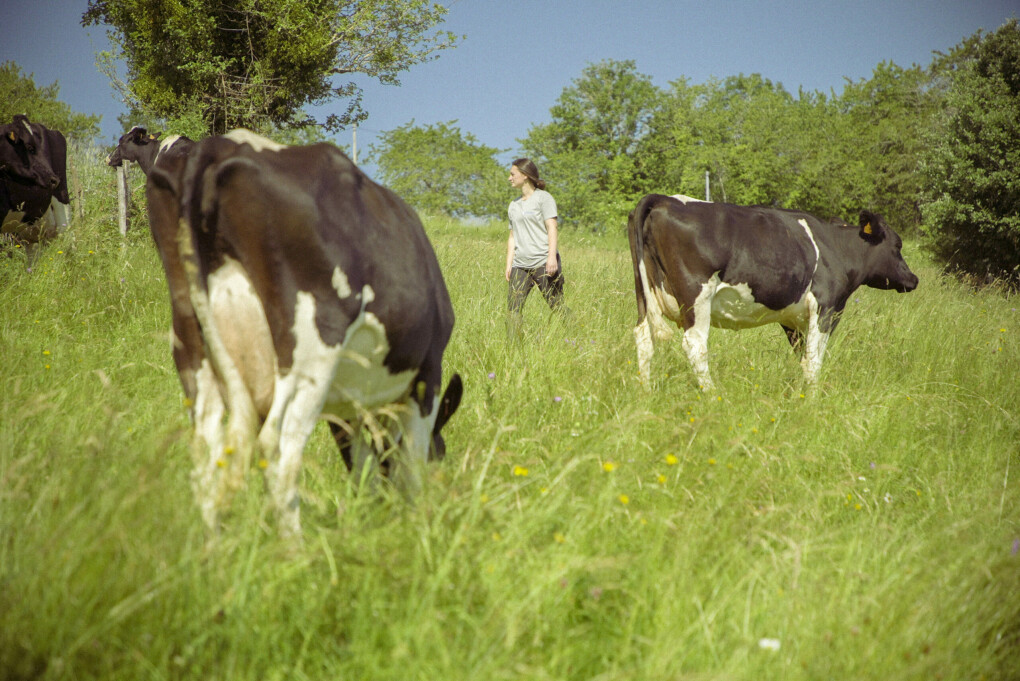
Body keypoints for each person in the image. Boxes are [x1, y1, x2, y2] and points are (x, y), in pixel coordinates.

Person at [505, 158, 566, 337]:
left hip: (542, 262)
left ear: (524, 176)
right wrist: (509, 264)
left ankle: (578, 336)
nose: (509, 178)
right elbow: (512, 237)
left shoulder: (543, 198)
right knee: (513, 311)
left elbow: (552, 228)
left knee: (556, 305)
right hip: (520, 265)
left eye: (512, 174)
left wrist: (551, 257)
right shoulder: (513, 205)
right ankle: (513, 349)